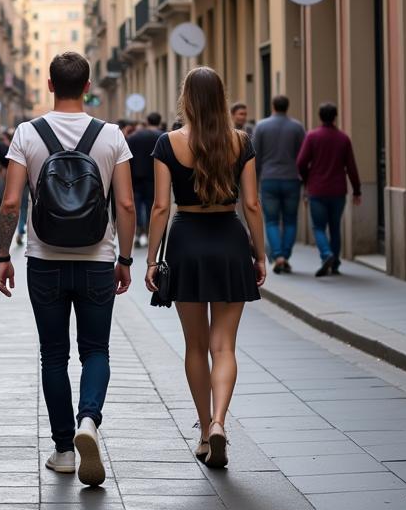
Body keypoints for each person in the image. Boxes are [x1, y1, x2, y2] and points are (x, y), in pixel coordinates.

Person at [0, 52, 136, 487]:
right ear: (89, 84)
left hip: (44, 260)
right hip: (97, 260)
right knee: (96, 351)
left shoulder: (27, 133)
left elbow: (12, 203)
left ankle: (62, 450)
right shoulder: (111, 135)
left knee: (53, 355)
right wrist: (126, 259)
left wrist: (3, 255)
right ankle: (88, 421)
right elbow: (127, 204)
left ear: (51, 86)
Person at [147, 67, 265, 470]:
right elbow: (251, 205)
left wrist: (149, 259)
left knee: (195, 346)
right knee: (224, 346)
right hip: (230, 241)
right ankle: (219, 422)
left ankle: (202, 431)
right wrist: (260, 254)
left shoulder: (169, 143)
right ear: (221, 98)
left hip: (186, 243)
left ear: (186, 99)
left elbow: (161, 206)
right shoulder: (241, 142)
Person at [297, 102, 362, 278]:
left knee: (318, 227)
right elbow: (351, 167)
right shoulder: (343, 138)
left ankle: (326, 254)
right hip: (338, 190)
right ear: (335, 117)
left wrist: (306, 178)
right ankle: (335, 264)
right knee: (335, 227)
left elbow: (301, 163)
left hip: (317, 190)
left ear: (320, 116)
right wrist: (357, 190)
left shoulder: (312, 136)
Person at [252, 96, 306, 275]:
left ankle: (278, 256)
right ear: (287, 106)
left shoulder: (261, 126)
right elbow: (303, 156)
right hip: (292, 179)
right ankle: (286, 255)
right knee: (290, 220)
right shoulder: (297, 127)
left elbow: (255, 157)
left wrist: (255, 180)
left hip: (269, 179)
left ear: (272, 106)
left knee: (272, 220)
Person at [127, 113, 164, 248]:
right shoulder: (163, 137)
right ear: (160, 121)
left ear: (147, 121)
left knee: (136, 205)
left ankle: (137, 232)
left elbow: (128, 158)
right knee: (152, 205)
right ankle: (149, 233)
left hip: (136, 177)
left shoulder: (134, 137)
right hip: (155, 178)